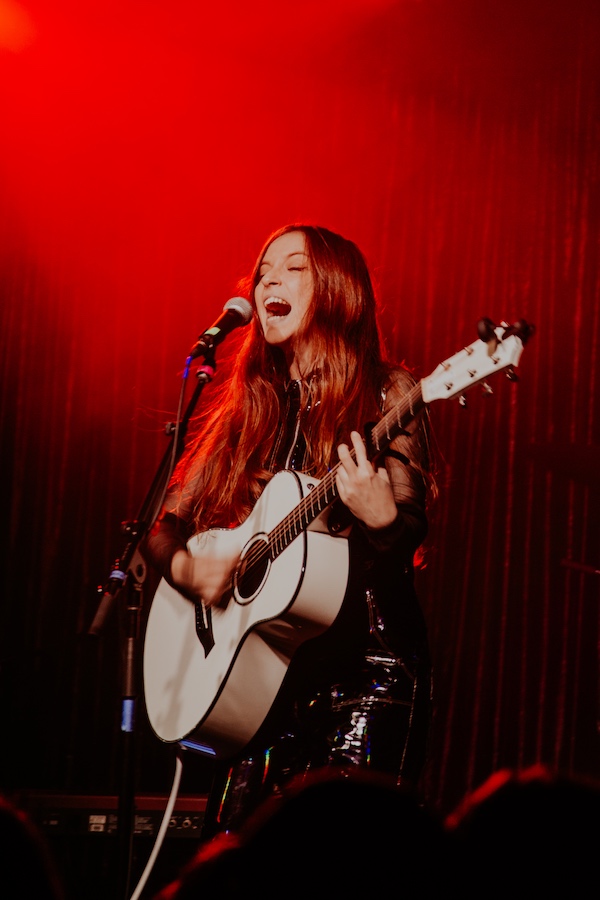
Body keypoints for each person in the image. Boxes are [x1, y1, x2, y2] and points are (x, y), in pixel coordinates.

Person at [143, 223, 437, 841]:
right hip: (263, 679)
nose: (268, 279)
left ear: (336, 288)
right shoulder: (251, 409)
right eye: (263, 269)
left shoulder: (390, 392)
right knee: (234, 862)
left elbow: (407, 528)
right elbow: (163, 525)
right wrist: (189, 569)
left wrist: (381, 517)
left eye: (293, 268)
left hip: (365, 672)